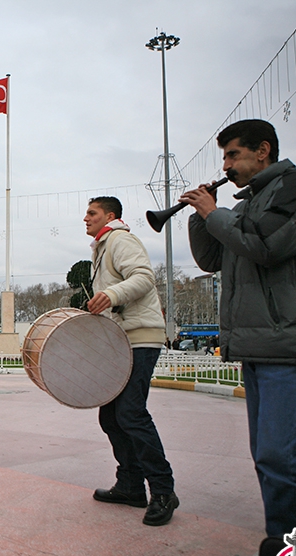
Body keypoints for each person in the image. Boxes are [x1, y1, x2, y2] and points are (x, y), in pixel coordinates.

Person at [182, 119, 296, 556]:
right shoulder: (249, 202)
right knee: (269, 457)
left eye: (233, 155)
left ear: (262, 151)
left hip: (286, 343)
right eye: (224, 157)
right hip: (260, 344)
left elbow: (267, 245)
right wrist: (198, 215)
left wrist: (215, 213)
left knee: (279, 457)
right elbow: (212, 259)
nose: (226, 166)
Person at [83, 197, 179, 526]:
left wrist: (111, 295)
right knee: (111, 416)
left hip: (140, 338)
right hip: (121, 340)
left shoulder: (120, 239)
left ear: (110, 216)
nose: (85, 218)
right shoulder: (102, 247)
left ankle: (163, 491)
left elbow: (143, 277)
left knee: (130, 413)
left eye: (92, 213)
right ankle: (131, 486)